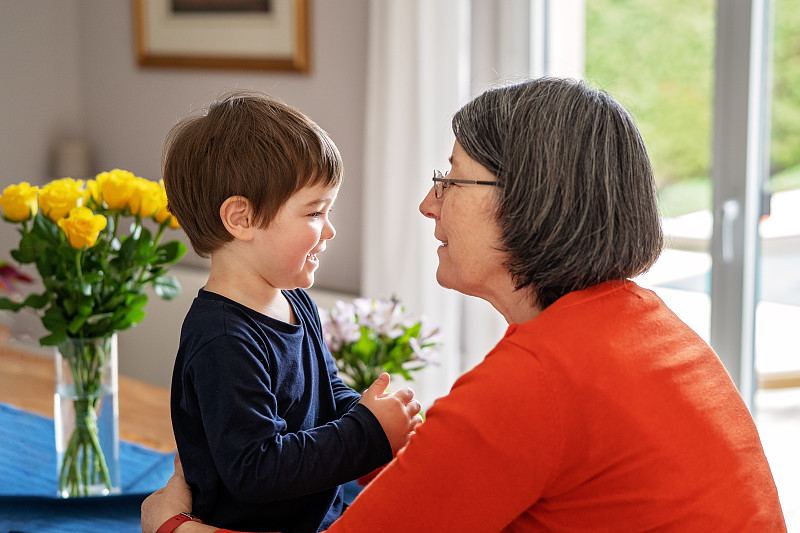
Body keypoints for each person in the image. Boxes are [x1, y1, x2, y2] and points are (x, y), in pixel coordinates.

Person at [143, 78, 787, 532]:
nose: (429, 203)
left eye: (450, 177)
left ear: (526, 200)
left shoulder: (537, 381)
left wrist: (172, 526)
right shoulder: (635, 327)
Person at [160, 91, 423, 533]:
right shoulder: (223, 339)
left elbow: (325, 392)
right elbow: (256, 470)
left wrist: (367, 409)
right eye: (315, 211)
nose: (330, 230)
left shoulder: (294, 298)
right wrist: (367, 432)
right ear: (241, 219)